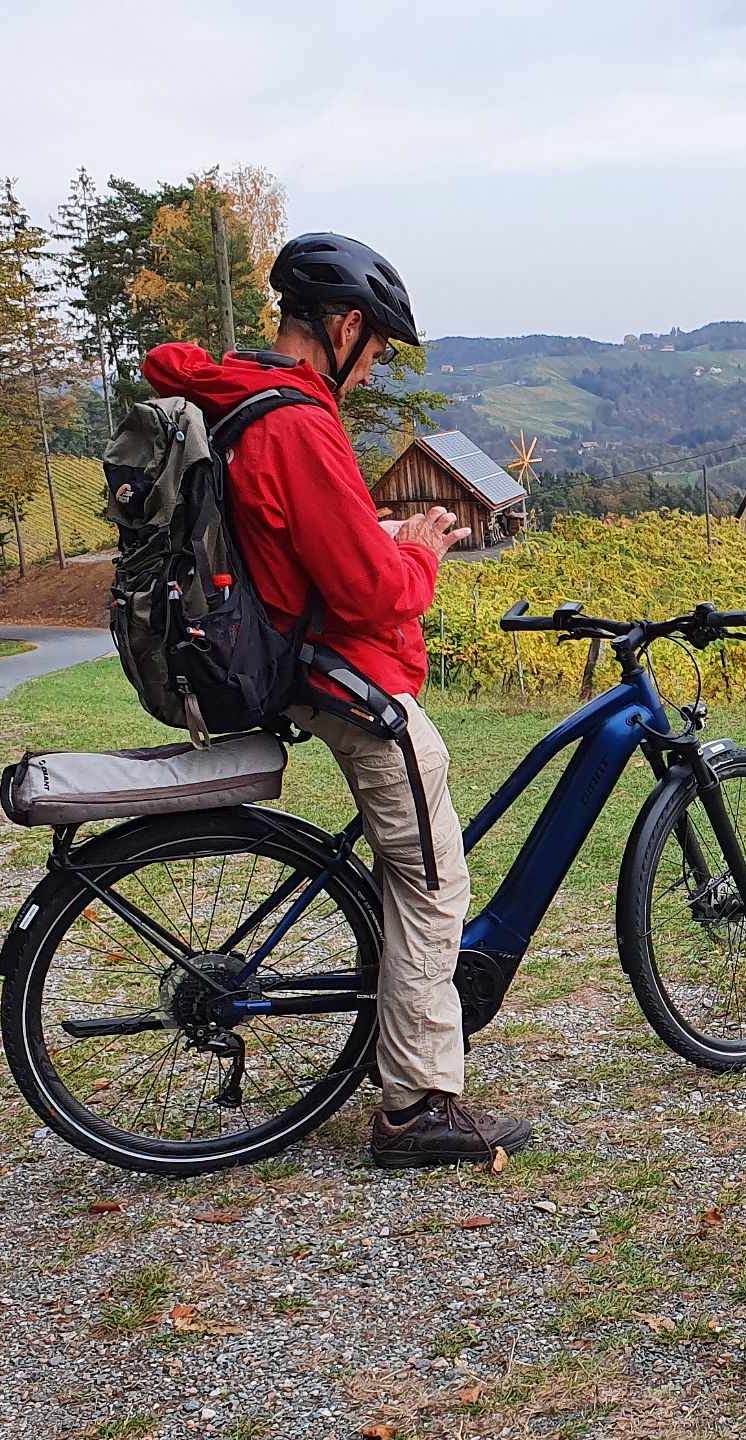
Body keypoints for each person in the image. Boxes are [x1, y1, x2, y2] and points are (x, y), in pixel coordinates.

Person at [141, 232, 533, 1169]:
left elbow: (310, 539)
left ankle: (408, 1063)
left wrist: (379, 528)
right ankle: (417, 1106)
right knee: (434, 887)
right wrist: (423, 549)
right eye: (378, 348)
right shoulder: (298, 423)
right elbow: (371, 594)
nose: (374, 369)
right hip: (346, 677)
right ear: (346, 326)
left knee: (412, 873)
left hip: (286, 654)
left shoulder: (243, 399)